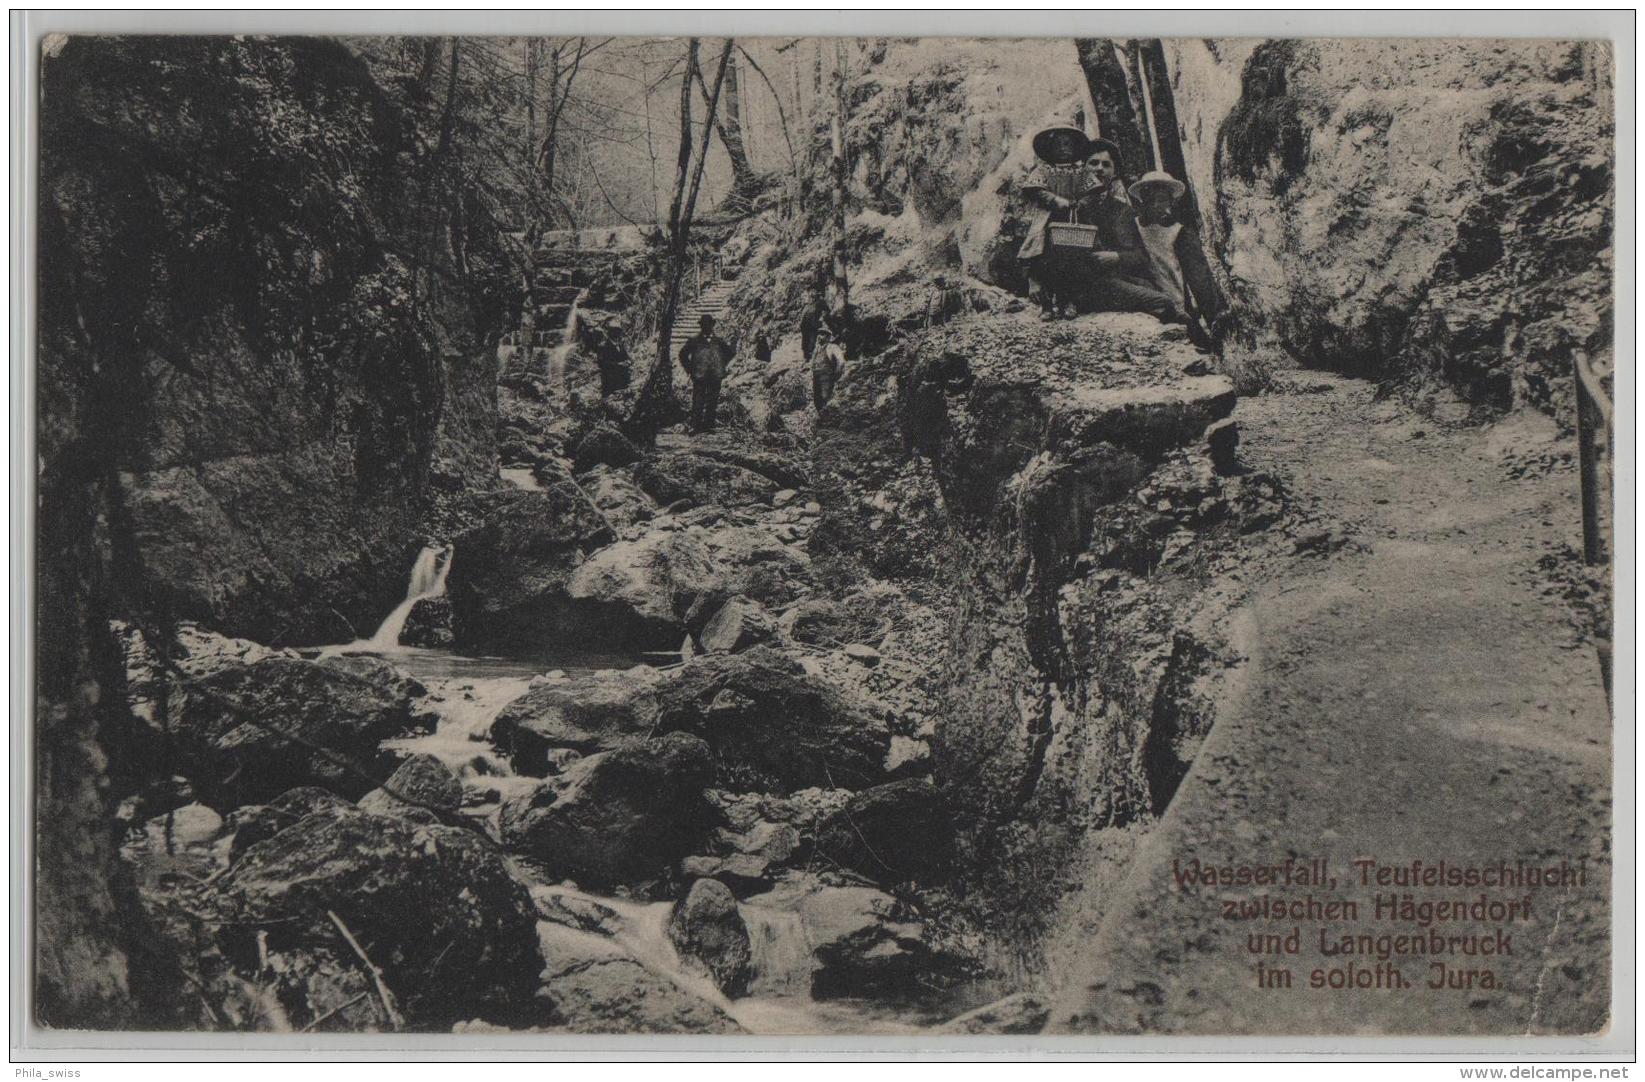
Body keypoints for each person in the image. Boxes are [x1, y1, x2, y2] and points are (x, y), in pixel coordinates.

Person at [1019, 130, 1184, 324]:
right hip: (1083, 285)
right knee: (1161, 301)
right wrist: (1034, 279)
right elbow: (1036, 243)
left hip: (1111, 279)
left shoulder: (1122, 210)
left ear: (1114, 172)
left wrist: (1116, 257)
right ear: (1081, 167)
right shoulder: (1062, 210)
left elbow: (1139, 256)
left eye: (1106, 165)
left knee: (1163, 299)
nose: (1099, 169)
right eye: (1093, 163)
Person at [1127, 170, 1231, 350]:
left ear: (1171, 202)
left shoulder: (1179, 233)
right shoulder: (1132, 227)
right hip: (1144, 299)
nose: (1156, 205)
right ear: (1142, 201)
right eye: (1150, 200)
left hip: (1174, 301)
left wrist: (1214, 316)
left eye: (1162, 200)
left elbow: (1199, 279)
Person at [678, 313, 733, 434]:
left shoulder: (718, 341)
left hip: (715, 375)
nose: (706, 327)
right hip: (699, 375)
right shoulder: (694, 341)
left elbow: (730, 353)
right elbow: (682, 355)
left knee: (712, 400)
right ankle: (696, 425)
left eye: (708, 325)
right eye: (704, 325)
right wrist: (690, 369)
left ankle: (709, 425)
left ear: (712, 326)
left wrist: (722, 364)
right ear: (701, 326)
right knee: (698, 400)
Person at [809, 327, 846, 411]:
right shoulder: (817, 350)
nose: (819, 336)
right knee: (817, 402)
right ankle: (821, 420)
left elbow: (841, 361)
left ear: (828, 337)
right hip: (816, 378)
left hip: (827, 378)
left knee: (825, 399)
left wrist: (836, 375)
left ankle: (828, 420)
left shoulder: (832, 347)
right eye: (819, 334)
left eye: (822, 334)